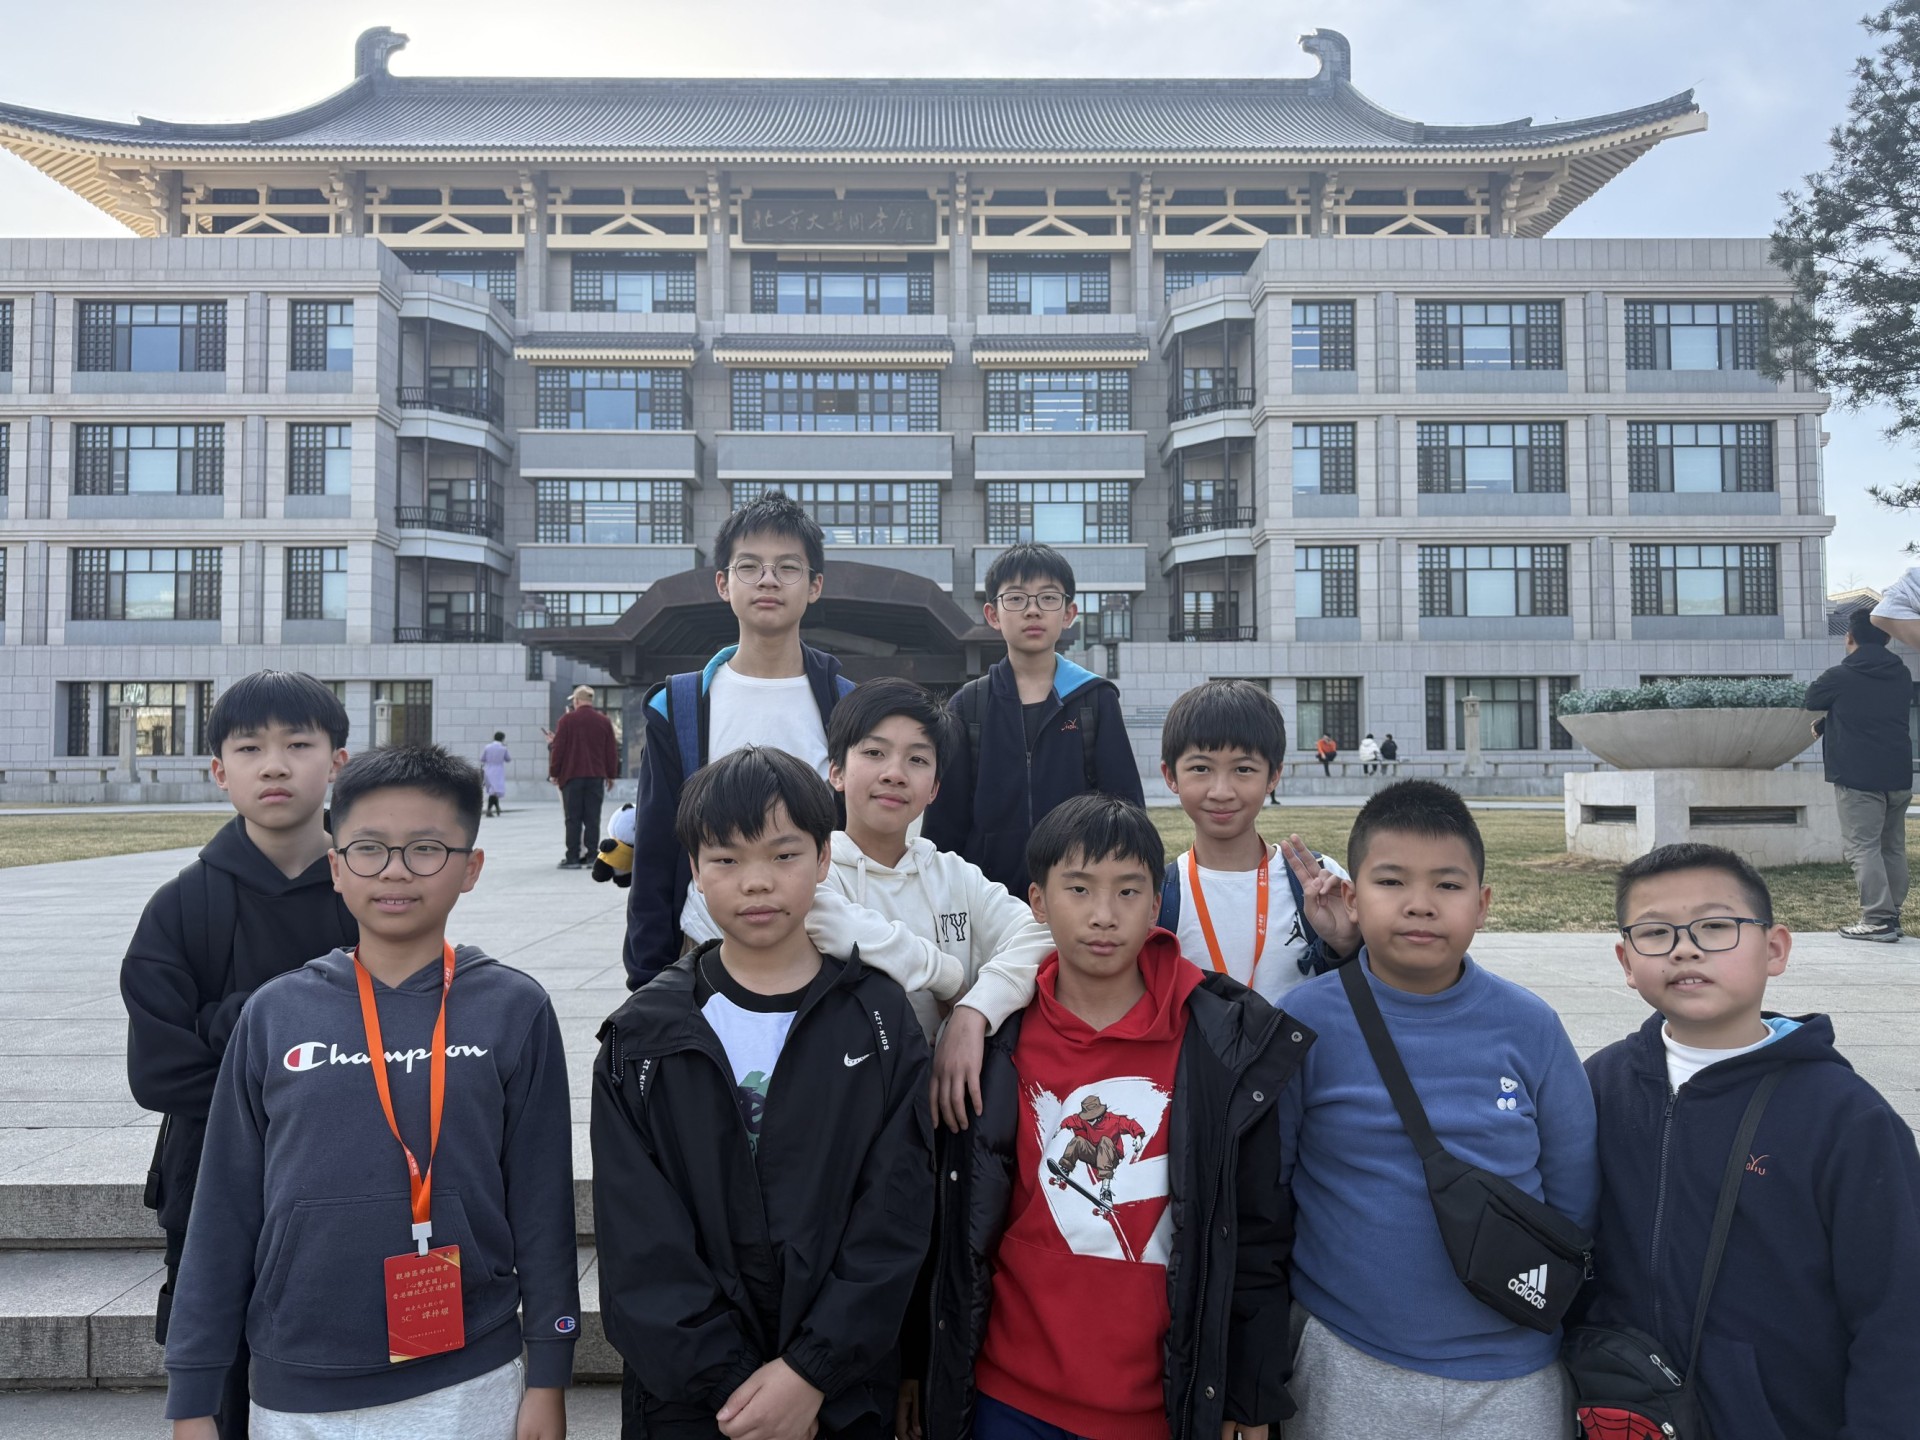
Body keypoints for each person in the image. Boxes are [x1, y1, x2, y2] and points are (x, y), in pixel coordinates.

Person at [162, 744, 578, 1440]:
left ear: (471, 867)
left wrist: (549, 1376)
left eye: (426, 849)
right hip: (299, 1388)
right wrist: (193, 1395)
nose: (395, 870)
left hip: (471, 1377)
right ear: (335, 866)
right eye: (369, 849)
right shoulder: (275, 1015)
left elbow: (543, 1206)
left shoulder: (513, 1009)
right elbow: (222, 1212)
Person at [921, 794, 1311, 1440]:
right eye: (1078, 889)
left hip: (1160, 1407)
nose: (1103, 915)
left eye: (1128, 891)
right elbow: (950, 1226)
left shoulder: (1218, 1044)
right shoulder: (996, 1045)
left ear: (1155, 904)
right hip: (1008, 1399)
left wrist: (1248, 1394)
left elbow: (1254, 1233)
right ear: (1038, 902)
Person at [592, 745, 933, 1440]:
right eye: (726, 859)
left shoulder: (879, 1020)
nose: (756, 882)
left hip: (841, 1399)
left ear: (824, 858)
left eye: (784, 855)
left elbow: (896, 1213)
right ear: (694, 870)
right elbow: (639, 1241)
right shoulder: (643, 1036)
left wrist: (810, 1373)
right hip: (691, 1407)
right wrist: (735, 1391)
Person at [1275, 780, 1597, 1439]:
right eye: (1391, 881)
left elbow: (1574, 1199)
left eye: (1448, 885)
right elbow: (1270, 1189)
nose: (1420, 904)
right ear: (1352, 898)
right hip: (1349, 1359)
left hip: (1515, 1375)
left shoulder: (1531, 1026)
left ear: (1482, 904)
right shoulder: (1305, 1024)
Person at [1578, 841, 1920, 1438]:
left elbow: (1897, 1311)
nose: (1685, 947)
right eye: (1655, 932)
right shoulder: (1599, 1085)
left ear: (1775, 949)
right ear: (1626, 961)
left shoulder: (1845, 1118)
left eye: (1716, 926)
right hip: (1628, 1411)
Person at [930, 678, 1355, 1132]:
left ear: (1274, 776)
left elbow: (1374, 984)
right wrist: (976, 1008)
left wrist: (1346, 944)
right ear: (1170, 775)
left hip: (1305, 1098)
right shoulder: (1157, 895)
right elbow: (1053, 942)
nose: (1221, 790)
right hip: (1198, 1110)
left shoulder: (1315, 881)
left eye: (1244, 770)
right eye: (1201, 768)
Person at [120, 669, 357, 1440]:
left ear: (338, 762)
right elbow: (159, 1070)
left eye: (298, 745)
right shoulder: (182, 906)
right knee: (224, 1385)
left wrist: (224, 1023)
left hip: (358, 1171)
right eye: (250, 748)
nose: (275, 766)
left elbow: (408, 1036)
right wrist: (310, 1038)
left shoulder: (372, 888)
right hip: (210, 1179)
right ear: (219, 771)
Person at [679, 676, 1058, 1044]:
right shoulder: (808, 867)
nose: (894, 774)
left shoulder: (957, 877)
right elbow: (827, 920)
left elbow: (1045, 932)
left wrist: (975, 1010)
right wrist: (947, 976)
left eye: (917, 759)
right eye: (875, 753)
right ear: (836, 771)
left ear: (934, 788)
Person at [624, 492, 857, 986]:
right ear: (723, 583)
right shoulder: (679, 706)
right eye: (749, 566)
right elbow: (656, 848)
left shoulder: (847, 705)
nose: (768, 580)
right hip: (704, 952)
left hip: (826, 953)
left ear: (814, 585)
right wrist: (646, 977)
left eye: (788, 567)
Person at [923, 542, 1143, 900]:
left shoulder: (1094, 699)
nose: (1033, 610)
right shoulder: (969, 705)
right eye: (1016, 598)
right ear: (993, 614)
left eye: (1048, 598)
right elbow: (945, 824)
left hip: (1079, 897)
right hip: (986, 900)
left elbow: (1127, 810)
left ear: (1069, 613)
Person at [1805, 606, 1913, 941]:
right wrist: (1830, 724)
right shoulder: (1901, 673)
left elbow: (1812, 698)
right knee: (1892, 847)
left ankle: (1877, 918)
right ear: (1887, 638)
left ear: (1849, 636)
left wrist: (1826, 721)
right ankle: (1891, 915)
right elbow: (1873, 713)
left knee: (1862, 847)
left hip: (1857, 775)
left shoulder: (1841, 675)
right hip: (1897, 773)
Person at [549, 685, 619, 869]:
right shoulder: (604, 721)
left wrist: (554, 772)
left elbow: (558, 749)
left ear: (577, 701)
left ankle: (572, 857)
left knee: (573, 818)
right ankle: (592, 856)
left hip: (571, 776)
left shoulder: (566, 720)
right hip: (596, 776)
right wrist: (611, 775)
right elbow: (611, 750)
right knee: (592, 818)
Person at [480, 731, 510, 818]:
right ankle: (490, 810)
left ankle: (496, 808)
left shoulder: (487, 747)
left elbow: (482, 758)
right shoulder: (503, 748)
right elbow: (508, 759)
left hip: (489, 770)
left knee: (492, 791)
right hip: (498, 771)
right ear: (502, 739)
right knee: (495, 791)